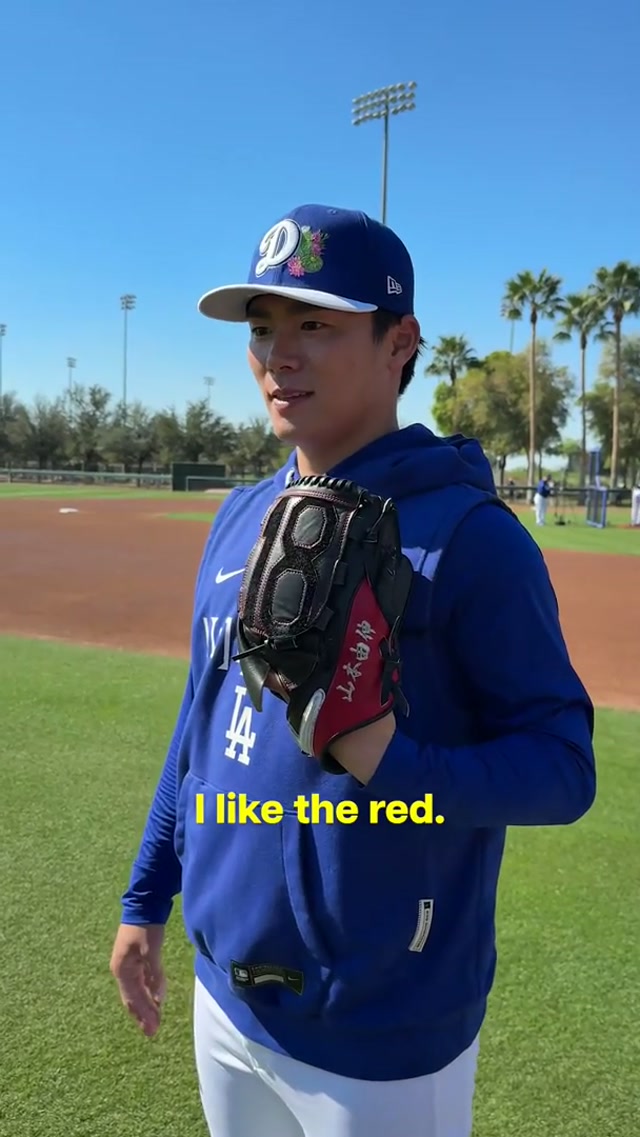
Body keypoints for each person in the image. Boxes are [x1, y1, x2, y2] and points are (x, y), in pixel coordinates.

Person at [110, 204, 596, 1137]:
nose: (278, 354)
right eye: (264, 329)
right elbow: (199, 728)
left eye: (316, 326)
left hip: (383, 1041)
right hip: (227, 1004)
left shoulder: (472, 538)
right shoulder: (240, 517)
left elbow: (563, 770)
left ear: (398, 342)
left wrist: (392, 759)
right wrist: (146, 898)